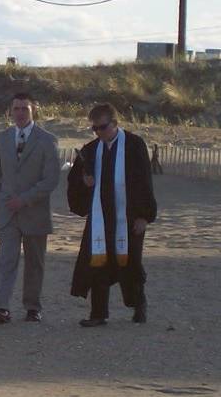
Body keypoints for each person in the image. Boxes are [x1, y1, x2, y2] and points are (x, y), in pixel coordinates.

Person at [67, 103, 157, 327]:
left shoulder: (134, 146)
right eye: (94, 128)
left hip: (128, 217)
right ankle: (98, 313)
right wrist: (84, 183)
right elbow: (74, 183)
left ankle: (139, 305)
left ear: (115, 124)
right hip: (100, 218)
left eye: (102, 127)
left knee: (131, 261)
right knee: (97, 262)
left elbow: (145, 182)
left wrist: (144, 217)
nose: (98, 132)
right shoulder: (89, 150)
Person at [0, 92, 60, 324]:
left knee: (35, 263)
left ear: (33, 110)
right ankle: (2, 307)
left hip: (35, 211)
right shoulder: (3, 138)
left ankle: (33, 307)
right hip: (7, 213)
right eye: (17, 109)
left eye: (25, 108)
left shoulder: (47, 140)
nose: (20, 113)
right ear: (11, 111)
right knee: (6, 260)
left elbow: (51, 180)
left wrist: (25, 199)